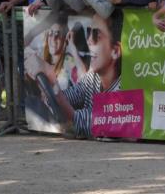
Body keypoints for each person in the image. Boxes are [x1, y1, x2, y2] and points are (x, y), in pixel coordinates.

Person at [51, 11, 123, 139]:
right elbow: (73, 94)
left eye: (96, 35)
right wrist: (51, 93)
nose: (89, 40)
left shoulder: (123, 88)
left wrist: (50, 80)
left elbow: (87, 121)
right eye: (89, 32)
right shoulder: (93, 77)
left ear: (115, 51)